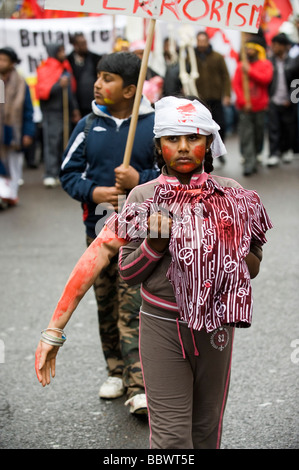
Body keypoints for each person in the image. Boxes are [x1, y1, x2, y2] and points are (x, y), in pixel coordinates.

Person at [35, 95, 272, 449]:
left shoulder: (234, 194)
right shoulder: (143, 197)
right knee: (171, 440)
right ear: (158, 146)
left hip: (217, 329)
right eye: (172, 139)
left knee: (207, 433)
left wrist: (230, 247)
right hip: (162, 326)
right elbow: (122, 269)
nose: (183, 147)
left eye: (193, 138)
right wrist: (155, 245)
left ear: (208, 143)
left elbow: (252, 266)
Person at [59, 51, 159, 414]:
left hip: (140, 235)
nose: (98, 84)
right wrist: (93, 192)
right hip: (98, 234)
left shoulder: (155, 125)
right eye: (98, 76)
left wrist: (140, 180)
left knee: (133, 307)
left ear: (130, 89)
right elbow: (67, 174)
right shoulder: (87, 125)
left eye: (108, 79)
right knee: (105, 304)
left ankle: (139, 384)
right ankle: (114, 370)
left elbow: (176, 177)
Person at [36, 43, 80, 188]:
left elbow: (71, 92)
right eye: (60, 51)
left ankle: (62, 173)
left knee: (64, 142)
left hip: (65, 112)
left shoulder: (65, 68)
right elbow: (43, 92)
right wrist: (57, 85)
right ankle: (50, 173)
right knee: (52, 143)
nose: (63, 54)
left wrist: (74, 109)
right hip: (52, 113)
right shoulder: (45, 68)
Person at [233, 36, 273, 176]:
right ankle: (249, 162)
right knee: (246, 134)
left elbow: (266, 79)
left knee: (258, 133)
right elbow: (237, 86)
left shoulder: (265, 64)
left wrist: (249, 71)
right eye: (246, 48)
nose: (248, 50)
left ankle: (256, 155)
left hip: (260, 106)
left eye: (250, 48)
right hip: (245, 108)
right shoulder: (240, 66)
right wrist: (244, 102)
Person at [0, 46, 35, 205]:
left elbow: (28, 110)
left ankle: (12, 195)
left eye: (4, 60)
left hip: (15, 131)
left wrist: (28, 133)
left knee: (14, 165)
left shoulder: (21, 83)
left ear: (12, 63)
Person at [194, 31, 231, 163]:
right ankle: (205, 153)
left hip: (215, 98)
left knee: (221, 125)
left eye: (204, 41)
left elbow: (226, 76)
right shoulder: (191, 57)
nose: (202, 44)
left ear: (208, 41)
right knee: (201, 128)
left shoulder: (217, 57)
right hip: (199, 100)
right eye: (199, 41)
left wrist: (227, 94)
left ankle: (219, 150)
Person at [267, 33, 298, 167]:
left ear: (284, 46)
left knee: (289, 127)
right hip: (273, 100)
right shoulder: (269, 61)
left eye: (277, 45)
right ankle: (274, 153)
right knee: (273, 127)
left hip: (288, 100)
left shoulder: (293, 61)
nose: (274, 47)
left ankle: (286, 150)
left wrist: (291, 99)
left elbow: (296, 81)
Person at [67, 33, 102, 119]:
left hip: (93, 102)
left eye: (85, 43)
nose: (85, 46)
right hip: (77, 104)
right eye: (82, 44)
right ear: (75, 45)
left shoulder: (95, 58)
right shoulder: (68, 60)